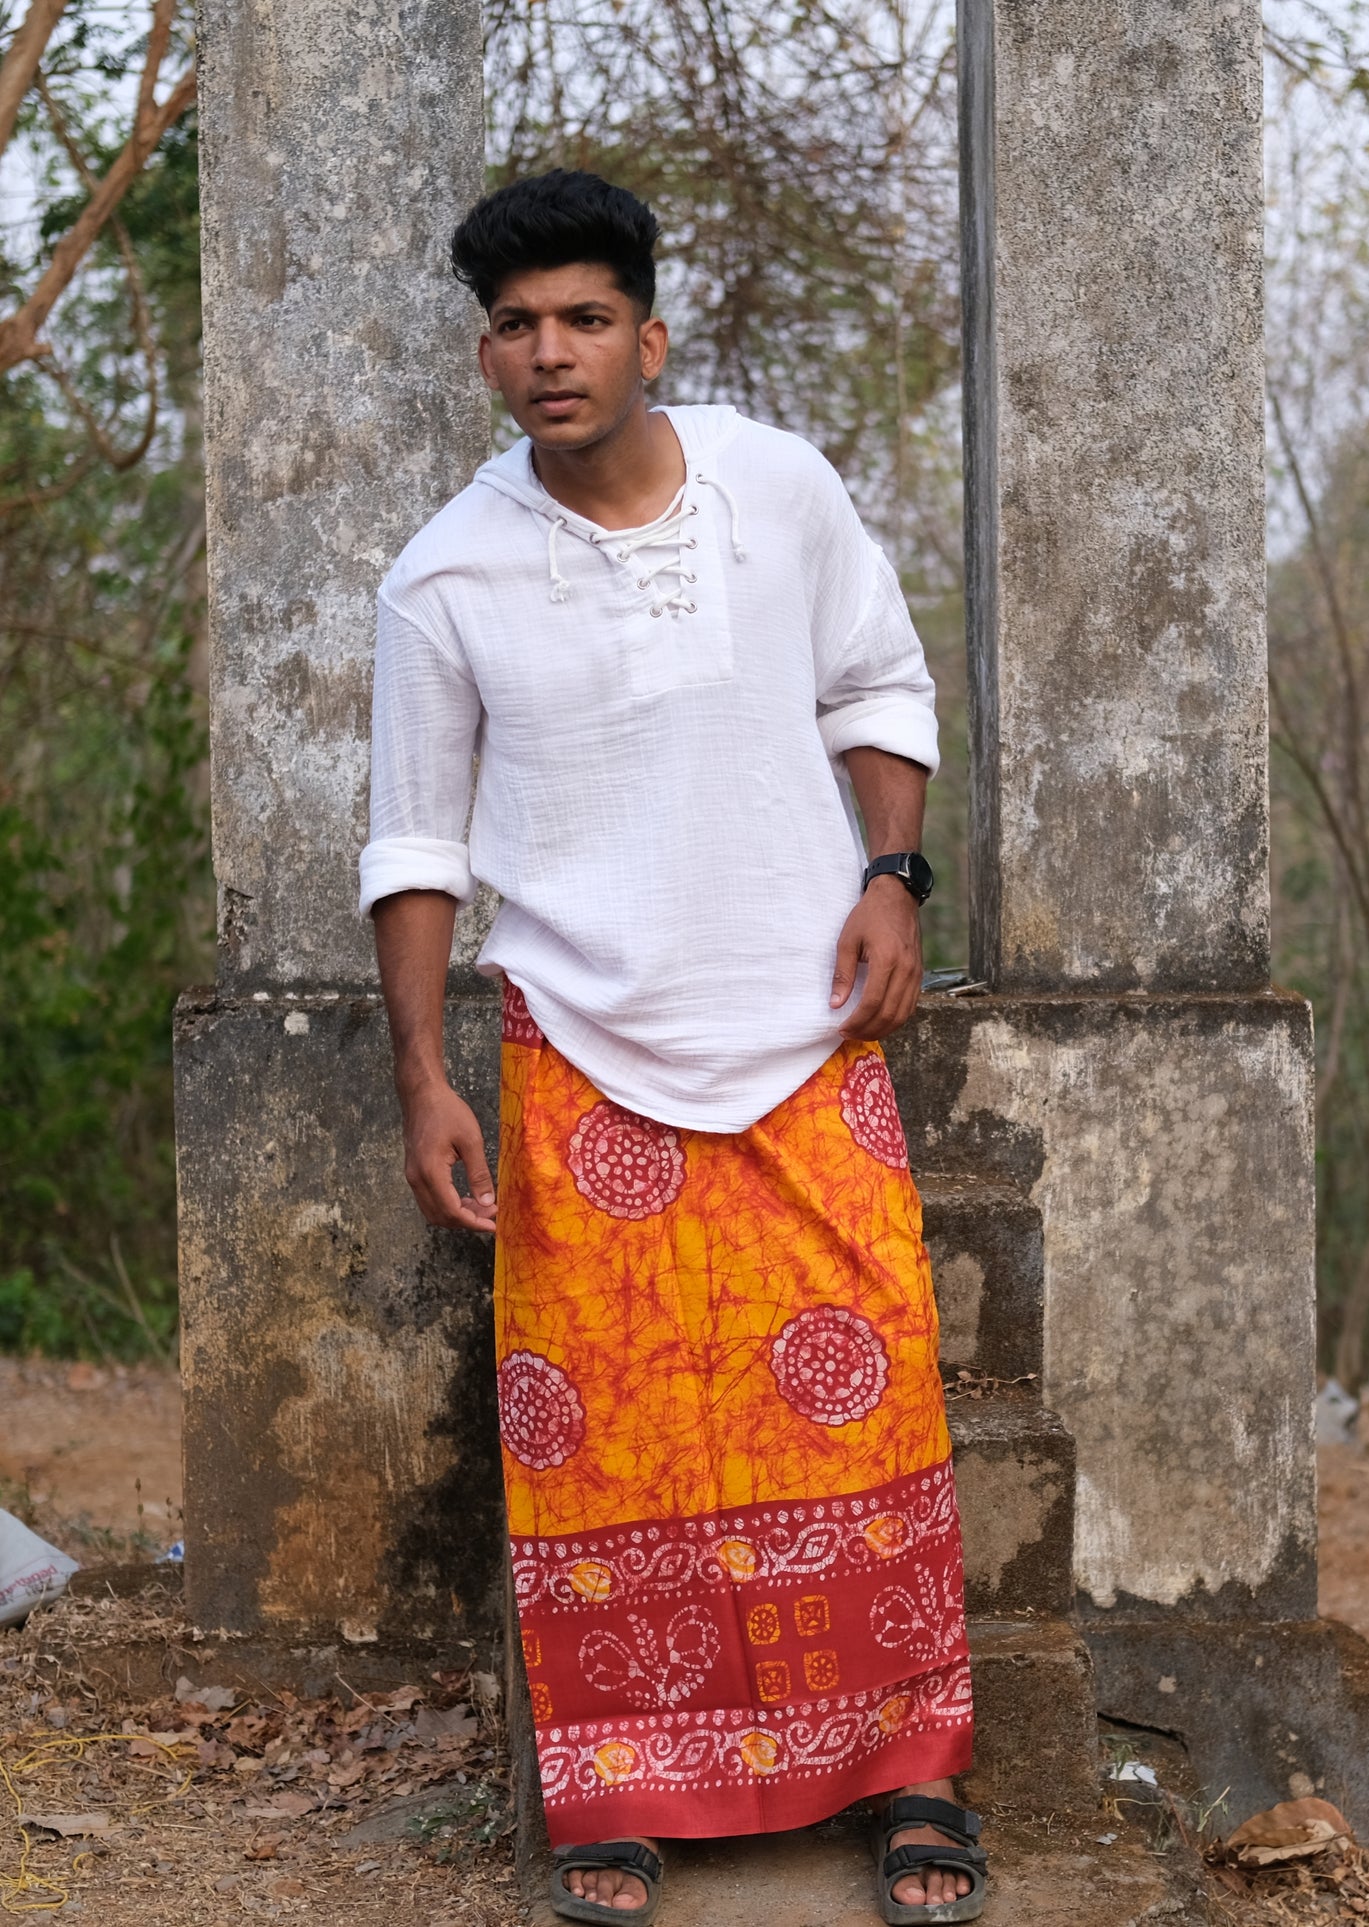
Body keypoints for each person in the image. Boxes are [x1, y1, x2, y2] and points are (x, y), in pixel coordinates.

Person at [360, 169, 985, 1926]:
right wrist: (424, 1077)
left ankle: (910, 1773)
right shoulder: (447, 574)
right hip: (576, 1041)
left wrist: (890, 881)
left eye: (578, 318)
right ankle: (617, 1796)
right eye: (510, 325)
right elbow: (414, 845)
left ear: (649, 330)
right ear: (481, 355)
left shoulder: (777, 491)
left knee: (862, 1399)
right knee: (607, 1429)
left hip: (801, 1026)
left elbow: (876, 685)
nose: (545, 354)